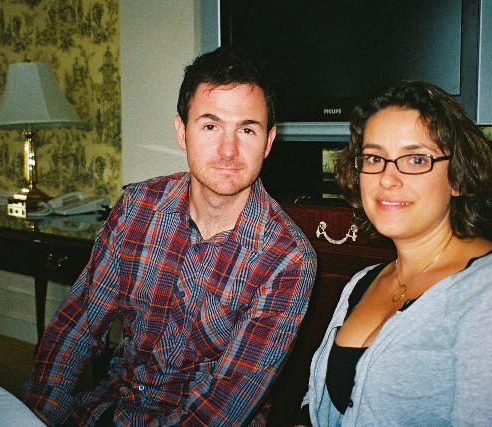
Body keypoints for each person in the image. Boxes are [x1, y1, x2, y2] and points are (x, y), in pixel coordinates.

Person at [22, 47, 316, 426]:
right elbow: (77, 325)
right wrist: (41, 415)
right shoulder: (136, 208)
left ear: (269, 141)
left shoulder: (288, 259)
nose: (229, 151)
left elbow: (222, 409)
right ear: (182, 131)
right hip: (112, 406)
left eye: (247, 129)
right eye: (210, 126)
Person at [297, 81, 492, 426]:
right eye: (374, 158)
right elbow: (318, 402)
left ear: (458, 178)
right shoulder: (362, 282)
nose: (387, 178)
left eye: (415, 159)